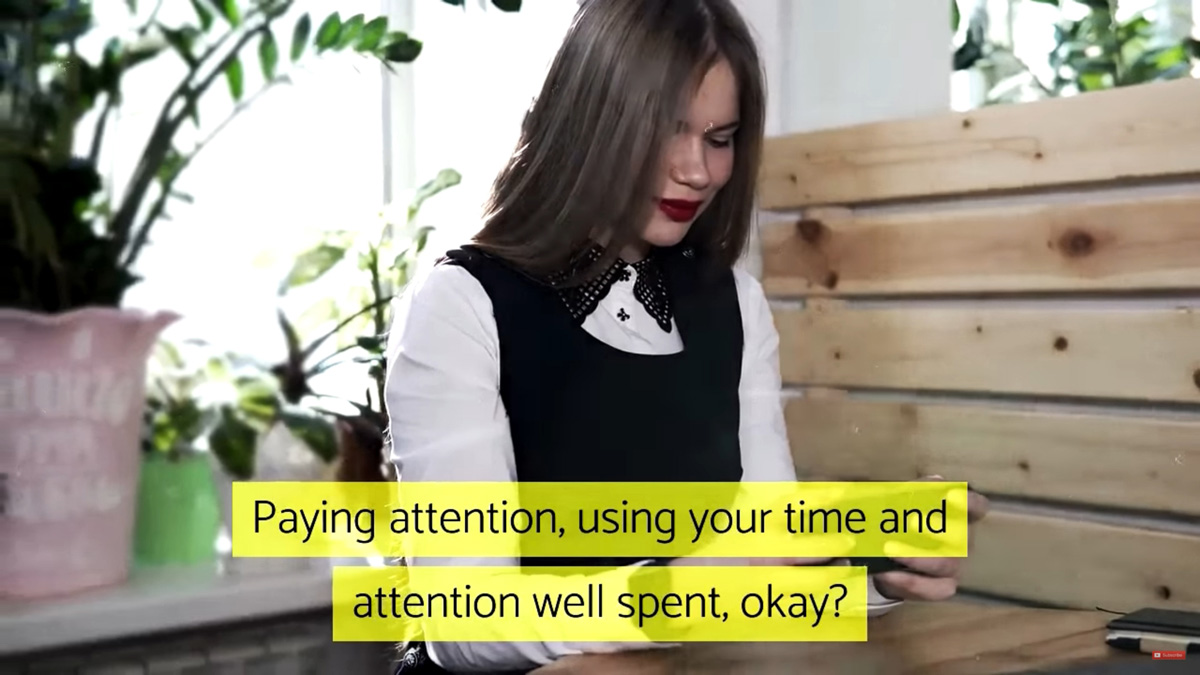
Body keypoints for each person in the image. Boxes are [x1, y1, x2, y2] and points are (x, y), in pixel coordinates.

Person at [383, 0, 990, 672]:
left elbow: (768, 573)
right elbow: (462, 625)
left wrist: (877, 571)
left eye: (719, 138)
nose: (698, 171)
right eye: (666, 131)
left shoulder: (738, 304)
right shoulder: (460, 304)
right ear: (589, 122)